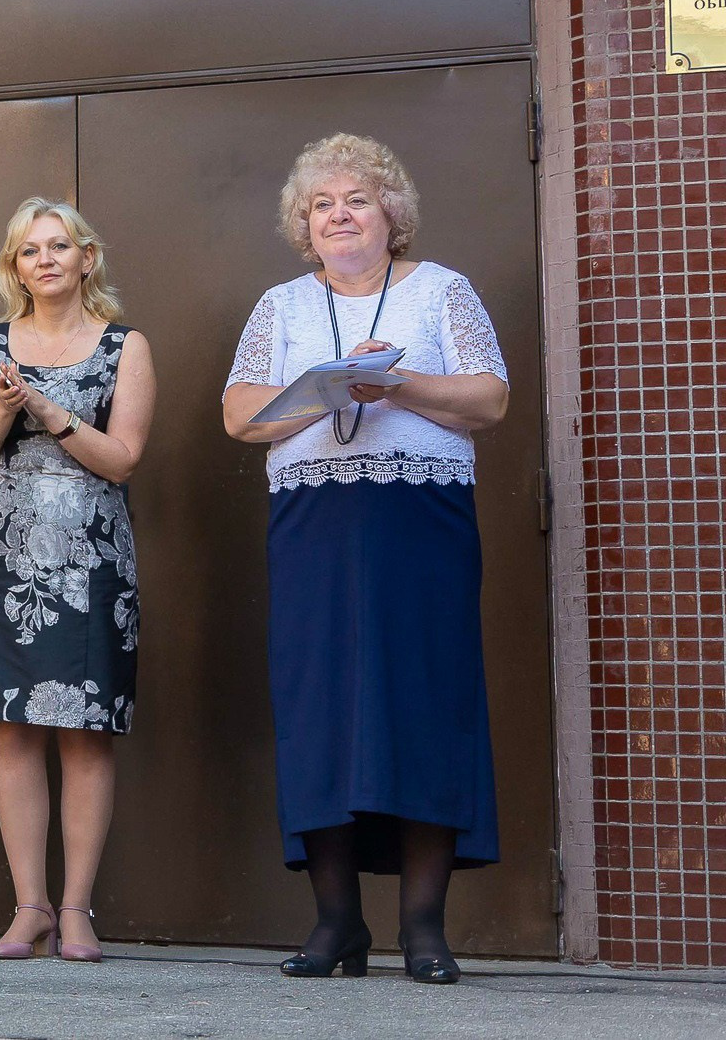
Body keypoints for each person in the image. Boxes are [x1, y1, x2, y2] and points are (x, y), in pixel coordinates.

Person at [225, 135, 510, 986]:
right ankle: (337, 925)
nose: (339, 215)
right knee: (321, 705)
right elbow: (240, 415)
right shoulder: (281, 306)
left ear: (392, 212)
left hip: (420, 519)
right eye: (322, 204)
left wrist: (400, 387)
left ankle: (424, 930)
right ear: (303, 226)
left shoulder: (442, 290)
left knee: (424, 701)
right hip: (313, 522)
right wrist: (321, 393)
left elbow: (489, 396)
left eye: (356, 198)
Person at [0, 200, 155, 965]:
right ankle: (29, 905)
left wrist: (49, 410)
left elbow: (124, 458)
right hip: (2, 554)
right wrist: (5, 413)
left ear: (86, 258)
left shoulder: (124, 346)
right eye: (29, 249)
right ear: (14, 265)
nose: (45, 259)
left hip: (93, 558)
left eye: (59, 246)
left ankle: (76, 910)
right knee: (13, 729)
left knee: (87, 733)